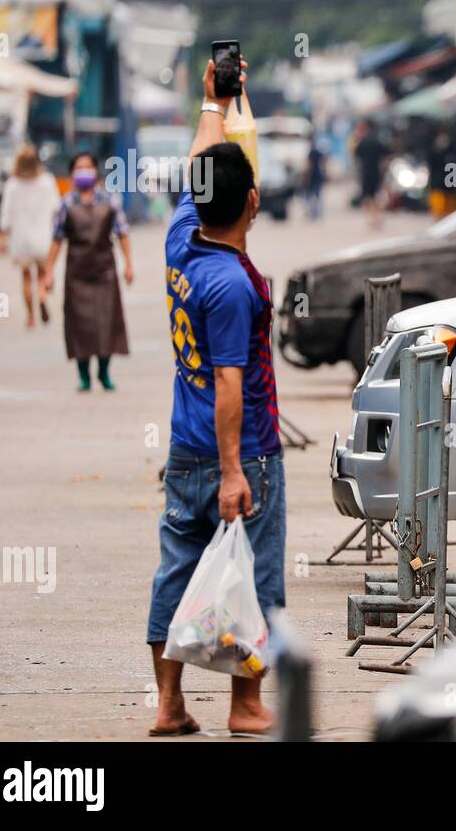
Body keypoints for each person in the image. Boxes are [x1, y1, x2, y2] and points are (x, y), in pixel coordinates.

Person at [146, 56, 284, 737]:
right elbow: (230, 384)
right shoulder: (230, 284)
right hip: (242, 451)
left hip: (183, 448)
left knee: (176, 573)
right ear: (251, 203)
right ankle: (245, 705)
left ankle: (169, 706)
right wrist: (235, 472)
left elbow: (199, 167)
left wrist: (213, 104)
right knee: (255, 584)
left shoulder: (182, 241)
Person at [42, 153, 132, 391]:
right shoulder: (65, 204)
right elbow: (57, 239)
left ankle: (104, 371)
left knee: (106, 321)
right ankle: (83, 375)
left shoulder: (110, 201)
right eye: (79, 168)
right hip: (77, 272)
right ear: (72, 173)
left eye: (88, 167)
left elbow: (122, 233)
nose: (84, 172)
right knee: (79, 323)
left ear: (96, 171)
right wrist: (48, 271)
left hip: (105, 270)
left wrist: (129, 265)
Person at [0, 143, 59, 328]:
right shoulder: (47, 181)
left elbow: (6, 213)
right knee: (42, 273)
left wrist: (2, 235)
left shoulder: (12, 185)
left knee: (25, 277)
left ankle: (31, 317)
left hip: (21, 239)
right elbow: (56, 208)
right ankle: (42, 294)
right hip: (43, 236)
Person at [352, 119, 384, 209]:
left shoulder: (362, 142)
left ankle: (371, 216)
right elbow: (385, 153)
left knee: (367, 195)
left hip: (365, 170)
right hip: (376, 171)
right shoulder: (377, 140)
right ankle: (377, 215)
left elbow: (356, 154)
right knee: (376, 194)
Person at [303, 140, 325, 220]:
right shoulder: (319, 152)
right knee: (318, 196)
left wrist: (305, 175)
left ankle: (313, 213)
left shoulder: (311, 153)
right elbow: (324, 162)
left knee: (310, 196)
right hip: (319, 176)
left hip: (312, 176)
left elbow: (309, 164)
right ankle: (318, 213)